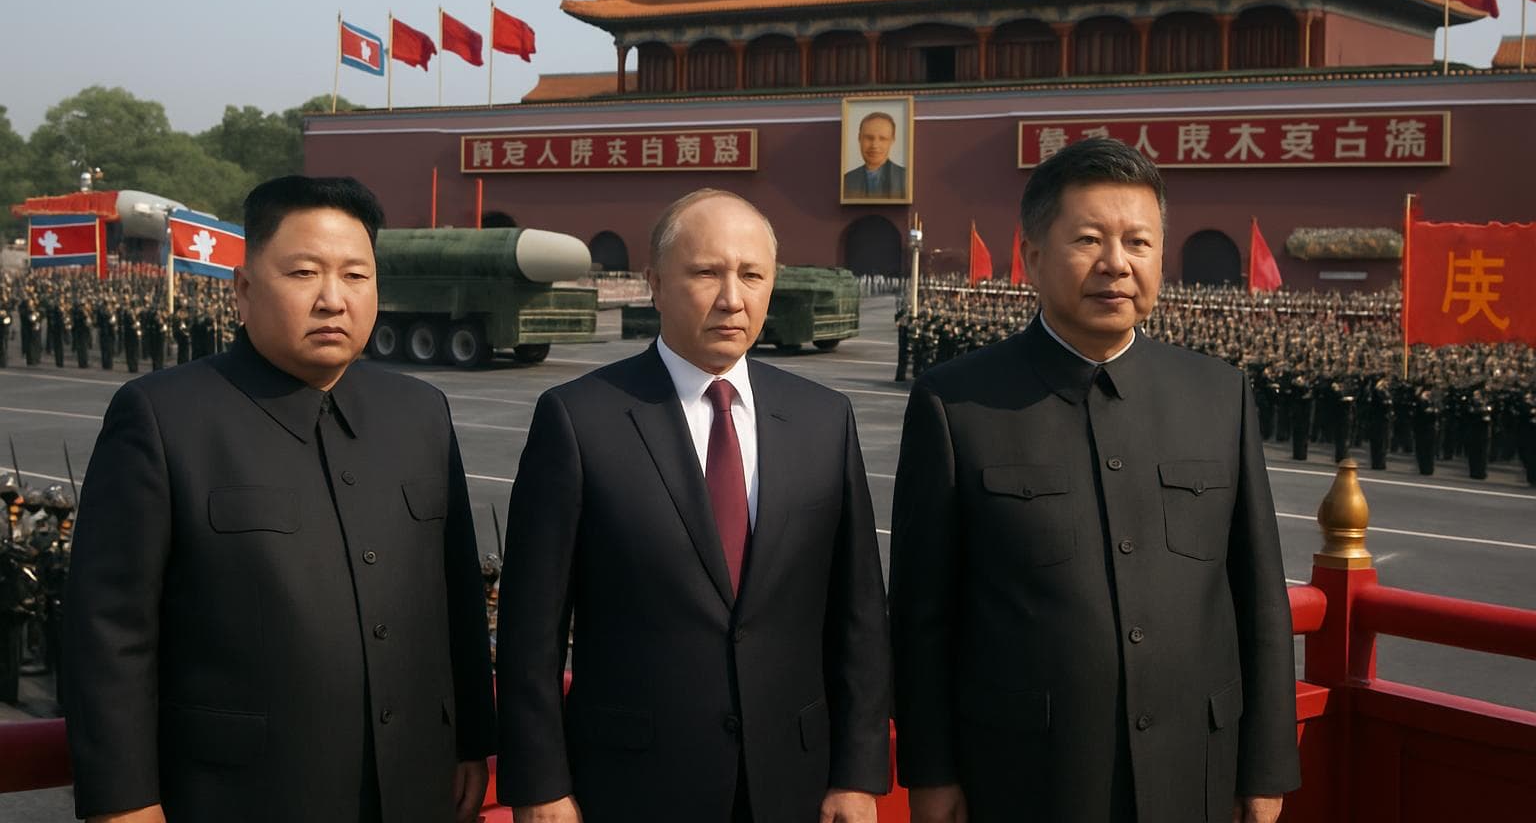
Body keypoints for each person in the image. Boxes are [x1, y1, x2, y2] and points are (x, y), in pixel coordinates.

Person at [889, 139, 1299, 823]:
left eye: (1139, 241)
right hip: (1025, 774)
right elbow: (923, 613)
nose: (1117, 263)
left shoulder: (1217, 394)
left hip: (1193, 767)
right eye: (1089, 239)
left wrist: (1265, 767)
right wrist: (930, 772)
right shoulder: (956, 404)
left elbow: (1258, 596)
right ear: (1034, 257)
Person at [63, 175, 495, 823]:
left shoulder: (420, 413)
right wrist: (124, 802)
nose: (332, 299)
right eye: (303, 273)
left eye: (355, 275)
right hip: (241, 794)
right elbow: (109, 634)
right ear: (243, 289)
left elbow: (456, 594)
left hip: (415, 788)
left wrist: (472, 739)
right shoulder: (165, 418)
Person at [496, 188, 891, 823]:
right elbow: (530, 630)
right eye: (706, 272)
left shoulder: (824, 419)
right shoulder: (579, 419)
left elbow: (860, 615)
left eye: (752, 275)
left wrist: (859, 772)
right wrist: (540, 784)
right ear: (654, 282)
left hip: (794, 780)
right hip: (633, 781)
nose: (732, 298)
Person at [842, 111, 908, 199]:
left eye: (882, 139)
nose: (874, 145)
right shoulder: (846, 180)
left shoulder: (905, 178)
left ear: (892, 140)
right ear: (859, 138)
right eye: (869, 138)